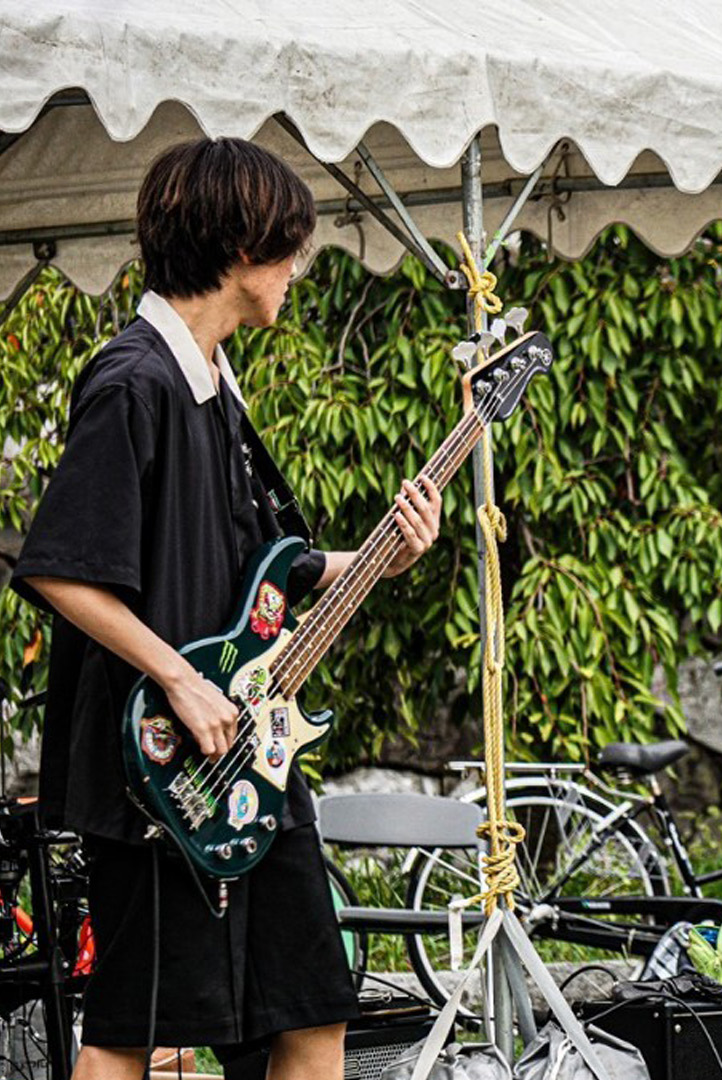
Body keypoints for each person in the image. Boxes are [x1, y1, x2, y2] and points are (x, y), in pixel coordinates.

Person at [12, 138, 444, 1080]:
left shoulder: (215, 385)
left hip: (248, 759)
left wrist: (381, 557)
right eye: (290, 247)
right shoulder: (134, 380)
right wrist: (179, 678)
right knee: (139, 1037)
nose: (298, 267)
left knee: (314, 1011)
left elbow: (266, 574)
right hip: (157, 770)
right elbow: (59, 568)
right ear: (241, 247)